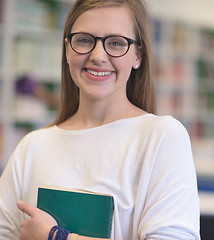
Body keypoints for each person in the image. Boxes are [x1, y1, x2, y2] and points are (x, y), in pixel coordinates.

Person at [0, 0, 200, 239]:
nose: (98, 56)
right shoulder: (32, 146)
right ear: (67, 49)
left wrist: (57, 236)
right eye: (84, 40)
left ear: (138, 55)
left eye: (116, 43)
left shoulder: (162, 136)